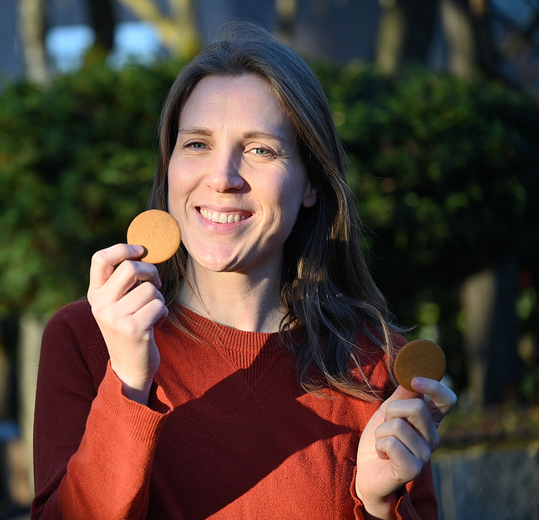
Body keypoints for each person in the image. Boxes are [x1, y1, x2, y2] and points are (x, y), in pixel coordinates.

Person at [31, 21, 456, 520]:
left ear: (310, 185)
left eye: (260, 150)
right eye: (197, 144)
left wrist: (380, 505)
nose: (222, 178)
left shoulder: (375, 364)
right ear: (169, 167)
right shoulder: (85, 340)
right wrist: (127, 380)